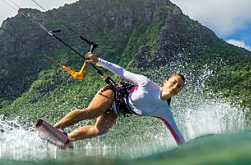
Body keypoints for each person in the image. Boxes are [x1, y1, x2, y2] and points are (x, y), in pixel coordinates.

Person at [53, 53, 186, 145]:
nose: (175, 86)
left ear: (179, 92)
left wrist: (185, 151)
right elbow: (122, 72)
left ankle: (66, 139)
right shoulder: (147, 84)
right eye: (173, 82)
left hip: (118, 108)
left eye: (179, 86)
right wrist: (97, 61)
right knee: (93, 112)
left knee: (100, 129)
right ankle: (56, 128)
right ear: (165, 81)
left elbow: (177, 133)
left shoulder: (164, 111)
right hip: (114, 93)